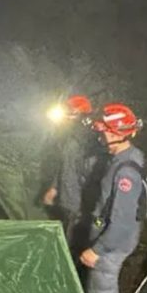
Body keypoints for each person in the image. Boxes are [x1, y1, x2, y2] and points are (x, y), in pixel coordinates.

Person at [80, 103, 147, 293]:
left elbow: (121, 222)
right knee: (108, 292)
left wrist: (97, 250)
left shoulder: (126, 171)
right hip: (116, 238)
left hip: (112, 243)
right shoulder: (125, 157)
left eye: (106, 131)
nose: (102, 135)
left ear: (118, 133)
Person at [42, 95, 104, 254]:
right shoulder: (70, 139)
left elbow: (90, 175)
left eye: (69, 114)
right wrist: (54, 188)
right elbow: (64, 165)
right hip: (67, 200)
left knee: (69, 247)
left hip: (78, 206)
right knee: (62, 238)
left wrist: (85, 206)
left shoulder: (88, 143)